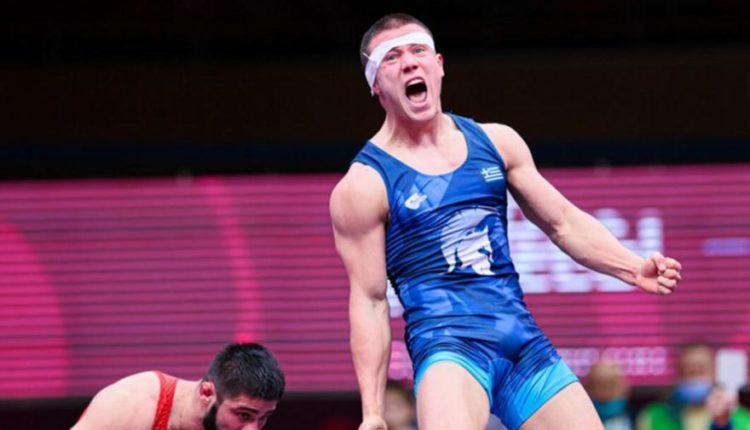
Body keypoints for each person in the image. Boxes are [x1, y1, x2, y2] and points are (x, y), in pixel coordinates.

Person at [329, 12, 683, 430]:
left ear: (439, 65)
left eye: (418, 51)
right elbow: (369, 300)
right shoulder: (364, 184)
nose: (409, 63)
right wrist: (373, 411)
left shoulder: (497, 142)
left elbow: (563, 222)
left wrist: (631, 267)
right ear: (375, 84)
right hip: (449, 350)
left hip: (522, 345)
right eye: (392, 57)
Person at [71, 342, 285, 430]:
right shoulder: (134, 402)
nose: (252, 429)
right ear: (207, 393)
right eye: (244, 415)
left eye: (263, 417)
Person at [636, 343, 730, 430]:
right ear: (678, 376)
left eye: (700, 371)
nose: (694, 379)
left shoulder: (737, 418)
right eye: (688, 372)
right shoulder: (653, 417)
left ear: (714, 374)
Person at [585, 360, 633, 430]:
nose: (602, 391)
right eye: (598, 386)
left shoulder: (625, 408)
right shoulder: (587, 410)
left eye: (607, 386)